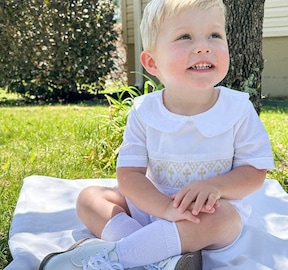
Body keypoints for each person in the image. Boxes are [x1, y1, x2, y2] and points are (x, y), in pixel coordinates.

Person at [40, 0, 274, 269]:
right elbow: (129, 176)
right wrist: (163, 208)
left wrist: (216, 187)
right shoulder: (144, 111)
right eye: (185, 36)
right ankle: (157, 255)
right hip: (152, 205)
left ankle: (115, 257)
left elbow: (254, 170)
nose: (204, 46)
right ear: (152, 62)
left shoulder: (237, 108)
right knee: (90, 198)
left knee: (224, 220)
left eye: (215, 35)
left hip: (208, 211)